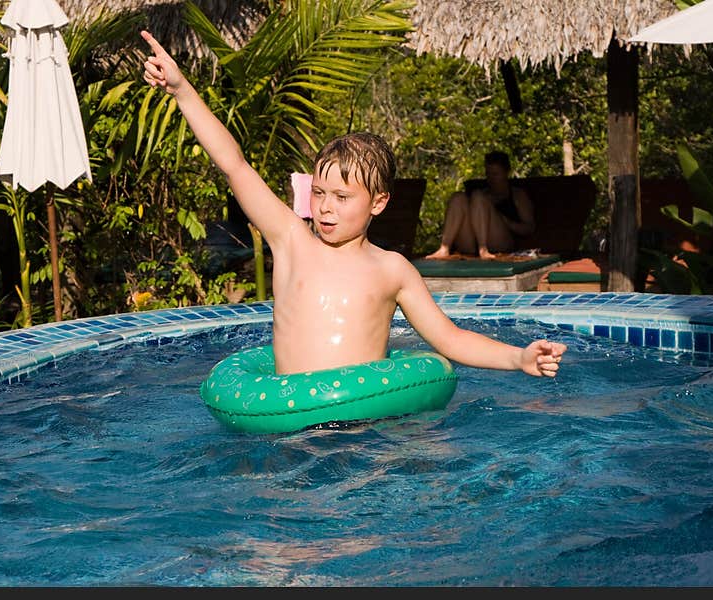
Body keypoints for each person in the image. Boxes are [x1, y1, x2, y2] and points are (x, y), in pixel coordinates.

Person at [141, 30, 565, 377]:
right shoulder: (291, 240)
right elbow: (234, 165)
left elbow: (449, 338)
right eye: (320, 193)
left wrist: (517, 357)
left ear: (378, 203)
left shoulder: (392, 269)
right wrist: (182, 92)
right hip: (288, 421)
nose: (325, 208)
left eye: (343, 198)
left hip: (362, 431)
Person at [426, 150, 534, 259]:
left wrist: (506, 221)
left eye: (495, 174)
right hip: (471, 244)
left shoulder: (517, 195)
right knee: (458, 198)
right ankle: (444, 248)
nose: (491, 178)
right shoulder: (484, 193)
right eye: (488, 174)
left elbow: (529, 228)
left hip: (501, 242)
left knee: (478, 197)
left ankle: (483, 248)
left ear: (506, 173)